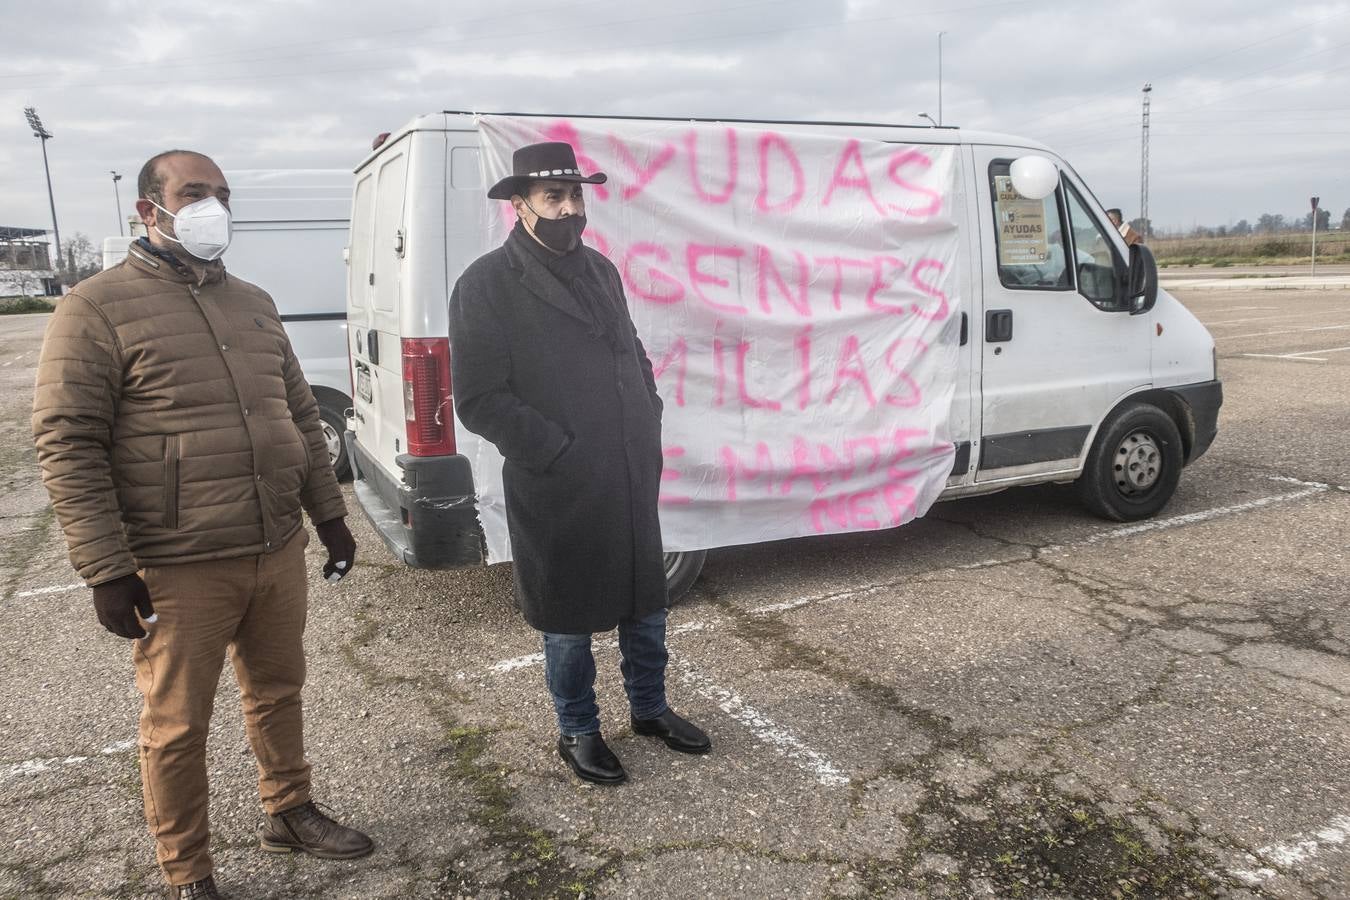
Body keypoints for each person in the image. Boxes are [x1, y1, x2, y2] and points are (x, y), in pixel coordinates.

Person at [32, 150, 372, 899]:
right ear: (148, 209)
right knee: (177, 725)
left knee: (279, 690)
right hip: (178, 561)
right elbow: (68, 439)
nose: (212, 206)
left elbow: (300, 415)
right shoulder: (94, 307)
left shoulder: (252, 301)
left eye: (221, 194)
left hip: (274, 546)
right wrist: (106, 569)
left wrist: (330, 514)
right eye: (194, 193)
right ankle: (188, 871)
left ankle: (288, 810)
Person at [448, 141, 710, 786]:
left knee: (645, 603)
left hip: (625, 469)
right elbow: (480, 399)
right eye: (552, 198)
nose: (568, 209)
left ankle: (650, 709)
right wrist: (555, 449)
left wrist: (646, 409)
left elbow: (632, 348)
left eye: (574, 196)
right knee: (567, 617)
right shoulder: (485, 284)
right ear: (520, 206)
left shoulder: (600, 269)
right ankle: (578, 729)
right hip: (558, 481)